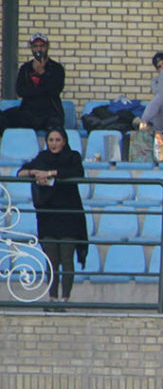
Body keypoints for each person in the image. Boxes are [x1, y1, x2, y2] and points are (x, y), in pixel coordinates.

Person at [17, 128, 87, 310]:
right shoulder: (42, 158)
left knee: (66, 257)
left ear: (64, 141)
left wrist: (51, 173)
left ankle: (65, 299)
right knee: (51, 260)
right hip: (48, 217)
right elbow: (21, 172)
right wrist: (35, 173)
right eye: (51, 140)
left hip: (69, 215)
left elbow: (76, 172)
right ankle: (53, 298)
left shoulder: (73, 157)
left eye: (57, 140)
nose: (54, 143)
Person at [0, 33, 65, 133]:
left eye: (42, 46)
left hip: (50, 112)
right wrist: (41, 90)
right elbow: (20, 91)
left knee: (55, 127)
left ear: (47, 47)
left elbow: (55, 90)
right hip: (28, 112)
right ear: (31, 48)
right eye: (35, 46)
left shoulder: (56, 68)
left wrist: (42, 73)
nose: (39, 49)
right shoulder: (25, 68)